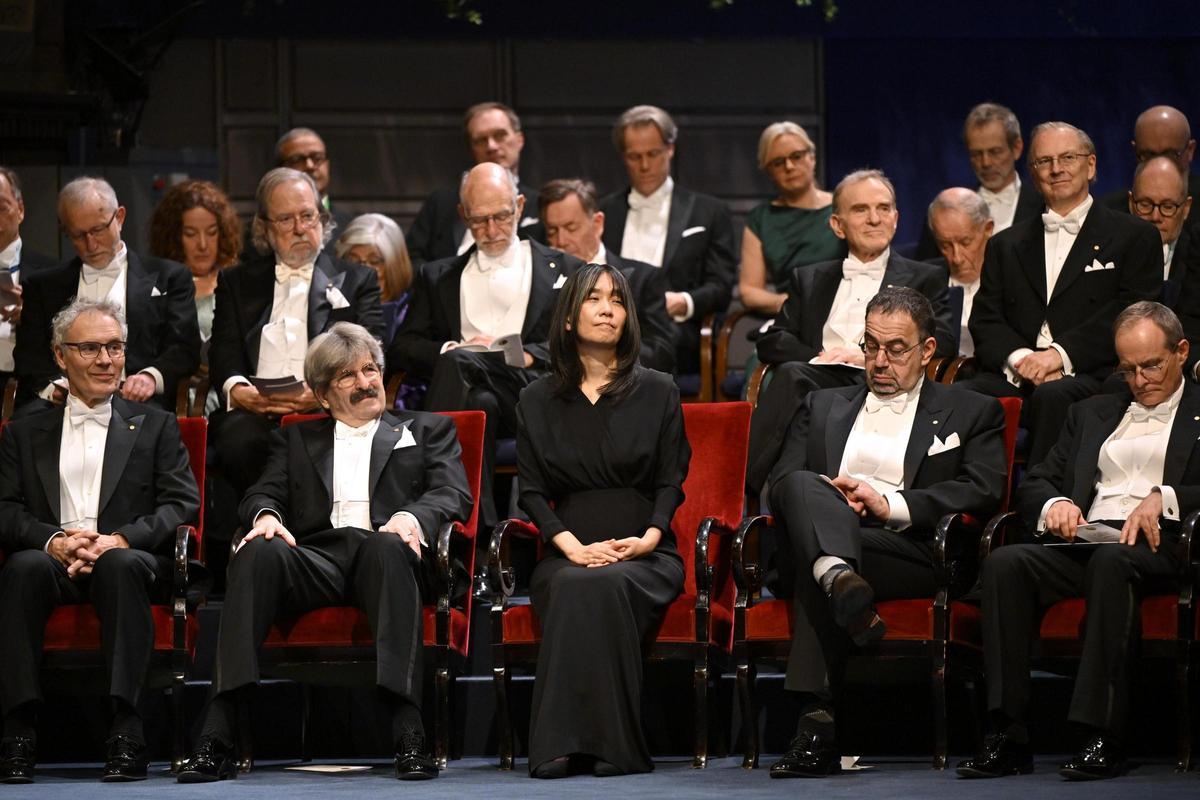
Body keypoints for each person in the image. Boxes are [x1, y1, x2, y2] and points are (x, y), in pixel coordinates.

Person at [178, 323, 471, 783]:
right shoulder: (297, 439)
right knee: (258, 552)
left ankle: (408, 733)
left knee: (386, 549)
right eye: (347, 376)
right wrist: (266, 517)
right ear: (322, 394)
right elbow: (261, 492)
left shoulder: (428, 429)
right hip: (318, 559)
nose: (365, 382)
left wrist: (411, 519)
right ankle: (217, 733)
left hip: (389, 551)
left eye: (370, 370)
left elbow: (453, 494)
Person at [766, 287, 1006, 778]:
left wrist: (889, 503)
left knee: (821, 565)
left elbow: (982, 489)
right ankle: (837, 572)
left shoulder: (972, 409)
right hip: (833, 536)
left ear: (927, 350)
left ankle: (814, 732)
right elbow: (781, 486)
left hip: (910, 548)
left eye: (896, 349)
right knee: (801, 489)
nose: (879, 361)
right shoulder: (822, 403)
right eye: (870, 345)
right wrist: (831, 506)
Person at [958, 301, 1199, 781]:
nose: (1140, 379)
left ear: (1182, 352)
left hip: (1166, 542)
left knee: (1113, 563)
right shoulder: (1091, 412)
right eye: (1127, 369)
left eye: (1151, 365)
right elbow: (1038, 480)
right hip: (1091, 539)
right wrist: (1056, 507)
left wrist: (1165, 497)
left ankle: (1100, 734)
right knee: (1006, 563)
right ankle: (1008, 734)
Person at [0, 298, 200, 783]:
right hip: (54, 559)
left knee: (120, 566)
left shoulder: (155, 425)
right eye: (90, 348)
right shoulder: (24, 430)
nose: (106, 360)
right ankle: (17, 731)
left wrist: (119, 539)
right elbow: (6, 509)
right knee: (22, 567)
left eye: (114, 347)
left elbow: (181, 503)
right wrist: (54, 542)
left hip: (126, 561)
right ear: (59, 355)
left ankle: (128, 727)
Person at [516, 263, 688, 778]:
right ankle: (560, 744)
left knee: (608, 583)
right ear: (569, 317)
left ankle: (613, 747)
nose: (607, 308)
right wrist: (570, 547)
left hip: (646, 551)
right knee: (574, 583)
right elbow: (531, 491)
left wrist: (648, 539)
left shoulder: (659, 390)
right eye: (593, 299)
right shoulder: (534, 398)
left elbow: (669, 482)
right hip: (567, 551)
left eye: (616, 299)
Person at [389, 162, 583, 528]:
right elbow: (403, 347)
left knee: (464, 369)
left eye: (502, 216)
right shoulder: (438, 275)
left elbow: (581, 342)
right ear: (463, 214)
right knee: (479, 400)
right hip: (474, 397)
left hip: (535, 396)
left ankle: (422, 493)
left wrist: (529, 354)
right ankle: (485, 536)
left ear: (521, 206)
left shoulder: (565, 269)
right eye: (479, 220)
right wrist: (451, 350)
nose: (492, 230)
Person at [961, 121, 1163, 467]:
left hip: (1095, 373)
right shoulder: (1005, 244)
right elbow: (985, 319)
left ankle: (1041, 509)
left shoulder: (1134, 236)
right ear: (1033, 171)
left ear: (1091, 165)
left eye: (1067, 157)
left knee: (1056, 396)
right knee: (955, 396)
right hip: (1019, 373)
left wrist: (1059, 355)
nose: (1056, 169)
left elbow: (1133, 315)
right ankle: (957, 510)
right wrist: (1024, 360)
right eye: (1044, 161)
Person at [745, 169, 955, 495]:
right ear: (837, 225)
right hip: (819, 379)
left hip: (881, 379)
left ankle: (739, 488)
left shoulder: (925, 276)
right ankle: (773, 500)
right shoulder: (810, 277)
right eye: (861, 210)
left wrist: (867, 354)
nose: (875, 218)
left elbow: (944, 337)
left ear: (896, 218)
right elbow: (773, 339)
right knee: (799, 386)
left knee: (794, 382)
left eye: (883, 208)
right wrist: (820, 358)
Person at [208, 167, 382, 512]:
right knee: (235, 438)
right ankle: (261, 522)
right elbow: (223, 349)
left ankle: (311, 530)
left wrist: (321, 394)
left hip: (329, 408)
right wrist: (238, 391)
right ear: (264, 228)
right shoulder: (236, 282)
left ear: (323, 218)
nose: (300, 229)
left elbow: (373, 347)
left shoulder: (357, 280)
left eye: (307, 216)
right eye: (286, 220)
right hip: (255, 411)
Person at [14, 177, 200, 410]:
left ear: (119, 218)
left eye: (98, 230)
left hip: (137, 403)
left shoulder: (170, 278)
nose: (91, 244)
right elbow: (30, 357)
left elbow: (184, 349)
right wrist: (58, 388)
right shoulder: (43, 287)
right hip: (62, 405)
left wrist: (150, 377)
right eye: (79, 235)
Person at [599, 104, 736, 373]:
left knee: (644, 351)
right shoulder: (604, 213)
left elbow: (720, 286)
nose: (645, 165)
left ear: (670, 149)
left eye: (653, 153)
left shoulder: (708, 212)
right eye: (634, 157)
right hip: (609, 326)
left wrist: (684, 301)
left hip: (674, 331)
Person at [538, 177, 676, 372]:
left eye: (571, 228)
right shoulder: (541, 283)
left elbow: (661, 352)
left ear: (598, 223)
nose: (561, 241)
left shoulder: (641, 279)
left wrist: (601, 359)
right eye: (552, 231)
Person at [407, 102, 542, 265]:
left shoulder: (540, 204)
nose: (491, 146)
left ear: (519, 140)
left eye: (499, 135)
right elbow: (410, 259)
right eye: (480, 140)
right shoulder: (440, 203)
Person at [738, 121, 845, 316]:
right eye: (778, 162)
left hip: (847, 311)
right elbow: (748, 291)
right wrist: (789, 303)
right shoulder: (760, 219)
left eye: (796, 156)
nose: (789, 166)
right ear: (768, 171)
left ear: (812, 157)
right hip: (793, 315)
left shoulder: (843, 206)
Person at [914, 103, 1044, 261]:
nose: (986, 162)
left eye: (995, 152)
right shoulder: (946, 210)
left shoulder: (1043, 206)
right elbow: (925, 272)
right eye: (976, 154)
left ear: (1017, 148)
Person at [148, 179, 244, 345]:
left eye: (211, 233)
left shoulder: (238, 283)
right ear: (174, 238)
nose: (203, 244)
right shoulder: (158, 288)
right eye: (191, 234)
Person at [1101, 105, 1200, 240]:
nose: (1159, 165)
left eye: (1170, 154)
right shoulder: (1107, 216)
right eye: (1148, 155)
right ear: (1135, 152)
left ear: (1190, 150)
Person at [0, 166, 58, 384]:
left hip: (28, 386)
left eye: (1, 207)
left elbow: (71, 339)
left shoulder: (51, 273)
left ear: (20, 210)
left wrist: (32, 315)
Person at [926, 188, 995, 356]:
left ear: (988, 229)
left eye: (965, 242)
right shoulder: (923, 281)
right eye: (945, 245)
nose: (956, 258)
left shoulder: (1013, 278)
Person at [335, 213, 414, 347]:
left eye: (375, 261)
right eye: (354, 261)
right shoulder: (332, 310)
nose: (365, 271)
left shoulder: (413, 311)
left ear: (396, 265)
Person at [1127, 156, 1195, 287]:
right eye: (1145, 204)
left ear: (1186, 208)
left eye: (1168, 207)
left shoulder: (1194, 259)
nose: (1155, 217)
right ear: (1131, 203)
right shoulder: (1111, 254)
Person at [275, 127, 354, 231]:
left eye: (317, 158)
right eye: (297, 159)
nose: (310, 165)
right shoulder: (262, 232)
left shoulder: (352, 228)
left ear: (328, 164)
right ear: (281, 169)